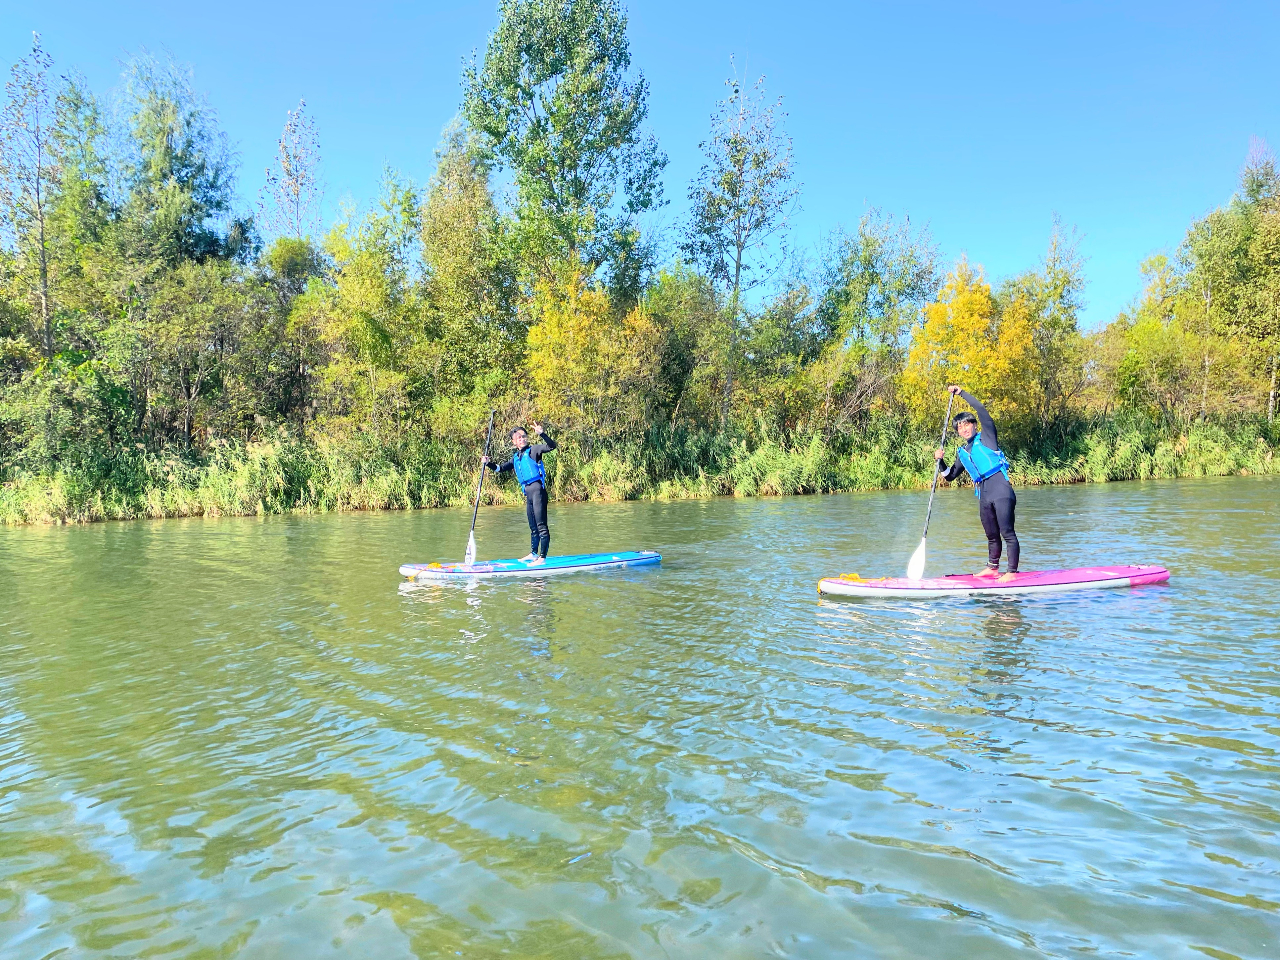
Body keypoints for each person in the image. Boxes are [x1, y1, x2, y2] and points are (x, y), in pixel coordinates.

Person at [934, 386, 1021, 581]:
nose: (964, 429)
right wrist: (940, 461)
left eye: (967, 424)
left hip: (1000, 489)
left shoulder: (988, 437)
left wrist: (961, 393)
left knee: (1007, 532)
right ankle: (992, 568)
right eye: (959, 427)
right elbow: (949, 476)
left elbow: (982, 410)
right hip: (983, 493)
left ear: (974, 425)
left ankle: (1012, 572)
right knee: (991, 534)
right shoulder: (963, 453)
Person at [482, 422, 557, 565]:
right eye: (519, 437)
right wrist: (488, 463)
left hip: (537, 491)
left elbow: (552, 446)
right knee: (533, 527)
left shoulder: (534, 450)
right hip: (528, 493)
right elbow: (499, 468)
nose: (522, 438)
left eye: (524, 436)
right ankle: (533, 554)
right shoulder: (516, 457)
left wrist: (542, 433)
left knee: (541, 526)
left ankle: (542, 558)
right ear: (514, 441)